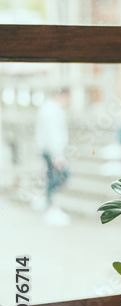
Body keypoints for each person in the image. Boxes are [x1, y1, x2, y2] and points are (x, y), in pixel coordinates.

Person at [35, 88, 71, 225]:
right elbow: (53, 133)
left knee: (50, 176)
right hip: (52, 151)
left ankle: (48, 201)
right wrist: (57, 156)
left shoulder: (48, 108)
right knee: (62, 175)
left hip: (47, 149)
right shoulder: (52, 110)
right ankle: (49, 202)